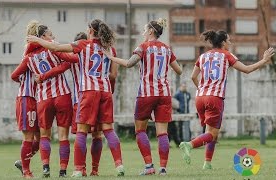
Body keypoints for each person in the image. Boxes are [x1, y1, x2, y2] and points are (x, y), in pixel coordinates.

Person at [27, 19, 124, 177]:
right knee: (107, 130)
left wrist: (37, 40)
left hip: (87, 93)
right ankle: (119, 165)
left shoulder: (83, 45)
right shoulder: (110, 49)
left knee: (81, 132)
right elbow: (113, 75)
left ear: (91, 31)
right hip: (105, 91)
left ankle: (79, 169)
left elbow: (57, 47)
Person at [179, 30, 274, 170]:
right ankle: (189, 145)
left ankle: (207, 163)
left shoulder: (203, 56)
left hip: (200, 97)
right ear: (223, 42)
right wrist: (264, 60)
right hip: (214, 98)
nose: (230, 42)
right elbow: (246, 69)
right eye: (228, 40)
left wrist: (202, 88)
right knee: (212, 134)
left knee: (210, 132)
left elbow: (193, 77)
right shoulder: (226, 55)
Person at [103, 18, 182, 175]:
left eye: (145, 30)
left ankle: (149, 166)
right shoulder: (167, 49)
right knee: (162, 133)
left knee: (140, 130)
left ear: (151, 31)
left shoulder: (143, 47)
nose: (143, 33)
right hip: (164, 94)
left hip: (147, 94)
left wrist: (110, 57)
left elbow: (128, 63)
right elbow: (179, 70)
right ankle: (163, 169)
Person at [12, 22, 78, 178]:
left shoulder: (28, 57)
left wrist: (39, 78)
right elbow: (69, 62)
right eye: (50, 34)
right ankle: (62, 171)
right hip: (61, 95)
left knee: (43, 136)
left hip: (42, 98)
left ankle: (45, 168)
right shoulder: (53, 48)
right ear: (41, 37)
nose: (52, 37)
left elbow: (14, 75)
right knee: (62, 136)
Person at [10, 20, 41, 179]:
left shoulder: (40, 51)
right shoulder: (29, 52)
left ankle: (23, 163)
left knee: (41, 138)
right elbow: (14, 75)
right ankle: (27, 172)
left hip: (37, 99)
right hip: (26, 98)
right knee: (29, 137)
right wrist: (24, 83)